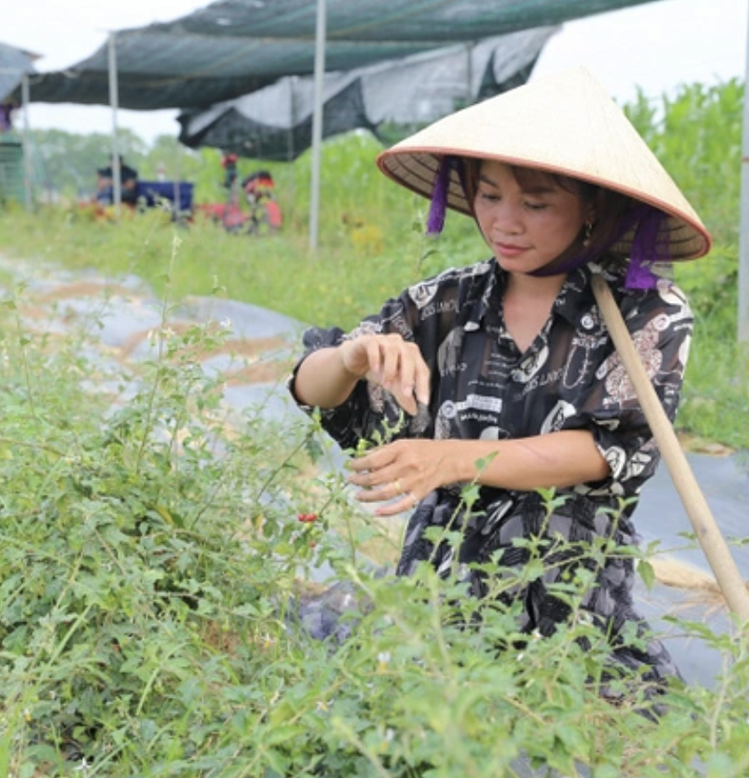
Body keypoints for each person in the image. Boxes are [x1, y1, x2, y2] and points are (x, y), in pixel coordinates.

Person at [288, 67, 711, 694]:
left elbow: (606, 450)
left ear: (591, 208)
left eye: (536, 204)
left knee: (576, 717)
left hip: (567, 587)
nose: (504, 222)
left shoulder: (645, 314)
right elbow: (309, 389)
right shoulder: (445, 302)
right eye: (489, 197)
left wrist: (454, 458)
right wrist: (352, 357)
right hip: (437, 578)